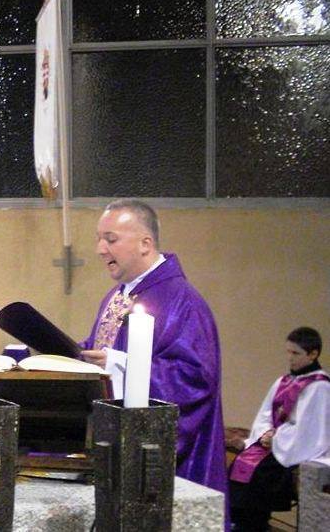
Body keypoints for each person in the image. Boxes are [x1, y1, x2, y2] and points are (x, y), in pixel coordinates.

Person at [79, 199, 227, 494]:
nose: (100, 249)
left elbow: (195, 380)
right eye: (99, 239)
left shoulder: (182, 302)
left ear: (145, 243)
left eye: (111, 239)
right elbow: (101, 349)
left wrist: (120, 365)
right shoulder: (118, 295)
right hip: (115, 448)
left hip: (166, 468)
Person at [229, 327, 329, 531]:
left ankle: (255, 524)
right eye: (288, 352)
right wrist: (264, 433)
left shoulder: (320, 387)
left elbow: (309, 431)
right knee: (240, 461)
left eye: (296, 353)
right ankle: (239, 521)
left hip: (294, 448)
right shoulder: (284, 381)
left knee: (262, 473)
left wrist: (275, 439)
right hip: (274, 442)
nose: (290, 358)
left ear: (313, 354)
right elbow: (265, 413)